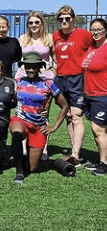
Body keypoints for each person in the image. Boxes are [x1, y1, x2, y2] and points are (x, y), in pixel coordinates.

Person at [10, 51, 69, 183]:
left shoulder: (48, 84)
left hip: (38, 126)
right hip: (20, 120)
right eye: (28, 66)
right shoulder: (18, 82)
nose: (30, 69)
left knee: (32, 167)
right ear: (24, 67)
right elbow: (9, 99)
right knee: (17, 133)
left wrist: (54, 127)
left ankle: (24, 160)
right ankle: (19, 172)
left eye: (34, 66)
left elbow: (65, 105)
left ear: (39, 67)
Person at [53, 5, 93, 166]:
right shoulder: (56, 35)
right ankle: (73, 150)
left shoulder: (84, 34)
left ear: (73, 19)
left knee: (76, 115)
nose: (64, 21)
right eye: (61, 19)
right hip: (60, 79)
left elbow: (98, 46)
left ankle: (76, 154)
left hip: (77, 79)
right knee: (68, 116)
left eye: (67, 18)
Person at [16, 11, 56, 161]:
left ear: (41, 24)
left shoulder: (49, 39)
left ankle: (44, 148)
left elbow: (55, 59)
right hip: (24, 80)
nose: (34, 25)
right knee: (24, 112)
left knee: (43, 113)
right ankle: (25, 147)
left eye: (37, 22)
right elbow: (19, 60)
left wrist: (52, 71)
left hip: (44, 80)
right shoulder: (23, 39)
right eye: (31, 22)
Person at [81, 18, 107, 175]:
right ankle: (101, 160)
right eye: (93, 30)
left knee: (98, 129)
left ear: (105, 31)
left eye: (99, 30)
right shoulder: (91, 48)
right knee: (98, 130)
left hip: (102, 94)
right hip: (89, 95)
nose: (96, 33)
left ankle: (104, 164)